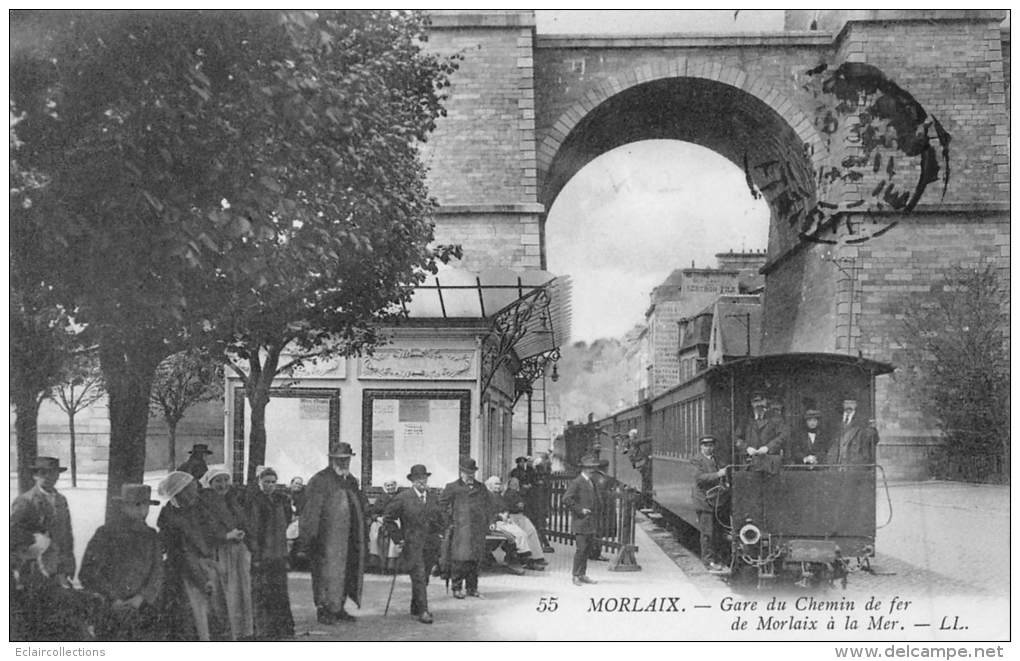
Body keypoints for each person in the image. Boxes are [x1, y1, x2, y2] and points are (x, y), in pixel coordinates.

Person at [79, 484, 164, 640]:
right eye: (136, 505)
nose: (142, 510)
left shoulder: (151, 536)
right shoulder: (105, 534)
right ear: (124, 506)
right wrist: (113, 599)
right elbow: (88, 572)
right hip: (110, 608)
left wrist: (141, 597)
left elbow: (157, 572)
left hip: (141, 607)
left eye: (146, 505)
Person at [299, 442, 366, 625]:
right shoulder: (320, 480)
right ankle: (324, 609)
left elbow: (360, 506)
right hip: (326, 538)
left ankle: (339, 607)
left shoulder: (351, 481)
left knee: (345, 571)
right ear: (332, 459)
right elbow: (310, 511)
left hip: (348, 538)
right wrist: (309, 538)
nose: (343, 463)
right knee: (325, 573)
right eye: (339, 459)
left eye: (346, 459)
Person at [157, 471, 218, 641]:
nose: (195, 494)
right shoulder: (172, 518)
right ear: (179, 493)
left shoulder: (193, 510)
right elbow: (182, 553)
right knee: (191, 619)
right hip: (185, 574)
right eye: (190, 491)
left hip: (200, 568)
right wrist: (201, 579)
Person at [383, 464, 444, 624]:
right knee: (418, 576)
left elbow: (440, 517)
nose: (422, 482)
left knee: (424, 577)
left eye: (424, 478)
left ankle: (415, 606)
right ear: (412, 481)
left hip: (431, 545)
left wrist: (440, 532)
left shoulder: (432, 497)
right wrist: (399, 538)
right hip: (412, 545)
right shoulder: (403, 498)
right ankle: (423, 611)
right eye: (418, 479)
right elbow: (388, 519)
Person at [200, 467, 254, 640]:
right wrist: (226, 535)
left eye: (225, 480)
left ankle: (241, 631)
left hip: (237, 551)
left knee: (241, 591)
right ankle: (226, 632)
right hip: (219, 552)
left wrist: (242, 532)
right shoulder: (206, 502)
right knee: (224, 592)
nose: (222, 485)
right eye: (218, 481)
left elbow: (243, 521)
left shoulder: (232, 500)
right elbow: (205, 529)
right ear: (210, 484)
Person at [10, 457, 76, 588]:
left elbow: (67, 534)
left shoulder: (61, 500)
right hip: (34, 567)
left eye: (53, 473)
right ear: (35, 475)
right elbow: (13, 534)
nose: (48, 477)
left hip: (59, 566)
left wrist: (69, 564)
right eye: (43, 473)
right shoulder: (25, 501)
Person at [247, 466, 295, 640]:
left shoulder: (280, 500)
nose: (270, 485)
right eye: (266, 482)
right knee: (262, 592)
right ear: (259, 482)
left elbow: (286, 523)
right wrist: (256, 555)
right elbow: (253, 529)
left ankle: (283, 630)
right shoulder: (255, 501)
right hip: (262, 553)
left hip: (278, 553)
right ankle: (264, 631)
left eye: (273, 482)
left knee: (280, 592)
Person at [438, 457, 492, 599]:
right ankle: (456, 588)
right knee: (459, 559)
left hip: (477, 530)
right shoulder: (452, 487)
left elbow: (488, 505)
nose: (471, 475)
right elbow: (442, 506)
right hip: (460, 529)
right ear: (461, 472)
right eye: (468, 473)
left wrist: (487, 522)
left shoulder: (481, 487)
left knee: (475, 559)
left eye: (473, 472)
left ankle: (472, 588)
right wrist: (449, 522)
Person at [692, 435, 730, 573]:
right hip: (704, 501)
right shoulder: (697, 460)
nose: (709, 448)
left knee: (716, 532)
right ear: (701, 446)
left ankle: (715, 559)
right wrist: (718, 475)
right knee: (707, 533)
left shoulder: (714, 459)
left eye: (711, 445)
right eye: (706, 445)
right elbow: (699, 478)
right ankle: (708, 561)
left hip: (715, 500)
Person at [562, 454, 602, 586]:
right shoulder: (577, 482)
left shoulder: (591, 481)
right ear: (585, 469)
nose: (593, 470)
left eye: (593, 468)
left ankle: (582, 574)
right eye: (591, 468)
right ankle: (575, 576)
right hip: (580, 522)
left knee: (587, 550)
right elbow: (566, 499)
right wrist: (580, 510)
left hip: (590, 522)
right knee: (581, 550)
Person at [502, 477, 547, 570]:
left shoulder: (518, 493)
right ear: (509, 484)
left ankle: (537, 557)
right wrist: (517, 505)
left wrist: (521, 505)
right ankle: (527, 560)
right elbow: (508, 507)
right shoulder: (507, 494)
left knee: (532, 531)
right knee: (523, 534)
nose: (515, 485)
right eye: (513, 483)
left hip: (521, 516)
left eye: (517, 483)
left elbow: (524, 504)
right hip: (512, 517)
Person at [827, 397, 880, 465]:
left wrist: (873, 429)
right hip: (837, 462)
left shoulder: (863, 420)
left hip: (854, 462)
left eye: (852, 403)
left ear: (856, 405)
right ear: (843, 404)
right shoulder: (835, 420)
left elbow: (873, 440)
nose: (849, 405)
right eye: (847, 403)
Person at [734, 393, 784, 459]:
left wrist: (768, 447)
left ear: (766, 402)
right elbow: (735, 438)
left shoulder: (776, 418)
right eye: (755, 401)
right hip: (749, 461)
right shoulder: (745, 420)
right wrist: (746, 448)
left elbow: (782, 436)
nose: (759, 404)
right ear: (751, 403)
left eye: (761, 401)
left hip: (770, 461)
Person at [367, 480, 401, 573]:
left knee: (394, 538)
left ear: (395, 486)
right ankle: (376, 565)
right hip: (381, 521)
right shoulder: (381, 498)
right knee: (375, 533)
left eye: (392, 485)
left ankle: (391, 566)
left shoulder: (399, 498)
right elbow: (373, 513)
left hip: (395, 521)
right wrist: (378, 518)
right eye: (388, 486)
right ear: (385, 487)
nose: (390, 487)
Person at [526, 451, 554, 553]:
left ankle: (542, 543)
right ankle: (541, 544)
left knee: (539, 524)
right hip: (537, 506)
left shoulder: (542, 480)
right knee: (538, 524)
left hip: (540, 506)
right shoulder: (537, 480)